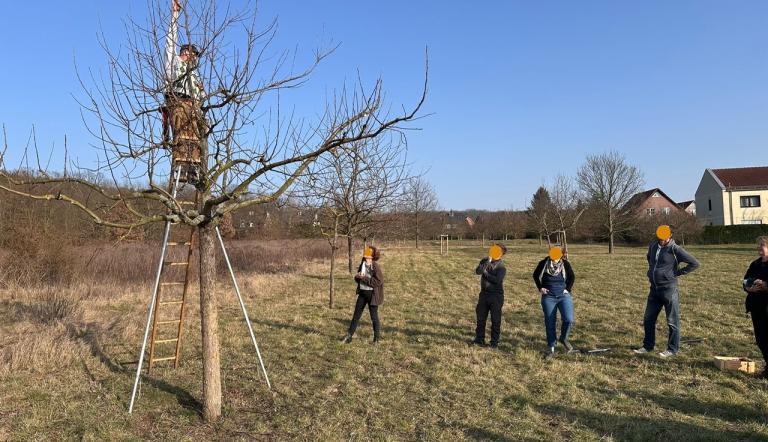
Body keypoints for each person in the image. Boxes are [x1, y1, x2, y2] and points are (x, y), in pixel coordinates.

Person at [634, 225, 700, 358]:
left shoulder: (675, 249)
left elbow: (695, 263)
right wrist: (651, 271)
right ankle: (647, 346)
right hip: (654, 289)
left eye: (665, 237)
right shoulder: (653, 246)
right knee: (648, 319)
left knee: (672, 321)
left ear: (670, 236)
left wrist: (676, 273)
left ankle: (672, 349)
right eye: (660, 237)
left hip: (669, 289)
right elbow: (649, 258)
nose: (662, 239)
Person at [163, 0, 206, 182]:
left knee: (200, 131)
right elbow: (170, 42)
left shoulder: (195, 75)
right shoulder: (175, 63)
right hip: (178, 101)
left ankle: (194, 170)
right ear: (185, 53)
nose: (194, 58)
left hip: (193, 105)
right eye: (192, 54)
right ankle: (182, 165)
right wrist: (175, 16)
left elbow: (201, 97)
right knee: (182, 131)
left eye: (195, 57)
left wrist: (202, 93)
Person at [533, 246, 576, 357]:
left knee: (569, 319)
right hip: (549, 297)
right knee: (550, 322)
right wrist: (540, 288)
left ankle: (563, 338)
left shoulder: (565, 264)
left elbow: (572, 277)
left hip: (563, 296)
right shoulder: (543, 263)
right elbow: (535, 275)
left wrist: (568, 289)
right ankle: (551, 348)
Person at [343, 246, 384, 344]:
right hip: (362, 293)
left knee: (374, 318)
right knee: (356, 316)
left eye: (369, 257)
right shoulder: (362, 264)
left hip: (372, 295)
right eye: (365, 257)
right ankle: (349, 337)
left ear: (373, 257)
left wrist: (364, 278)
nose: (366, 258)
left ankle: (376, 340)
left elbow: (378, 281)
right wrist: (357, 277)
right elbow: (358, 277)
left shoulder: (375, 267)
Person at [742, 236, 768, 378]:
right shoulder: (755, 264)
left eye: (762, 246)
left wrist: (765, 286)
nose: (759, 249)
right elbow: (746, 280)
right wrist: (748, 287)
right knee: (761, 339)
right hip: (756, 306)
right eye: (758, 247)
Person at [473, 243, 507, 348]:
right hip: (483, 294)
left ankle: (494, 342)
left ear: (501, 254)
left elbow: (497, 280)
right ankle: (479, 339)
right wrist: (487, 262)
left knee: (495, 320)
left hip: (496, 296)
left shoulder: (501, 267)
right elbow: (478, 271)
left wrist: (486, 273)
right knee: (480, 318)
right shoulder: (485, 261)